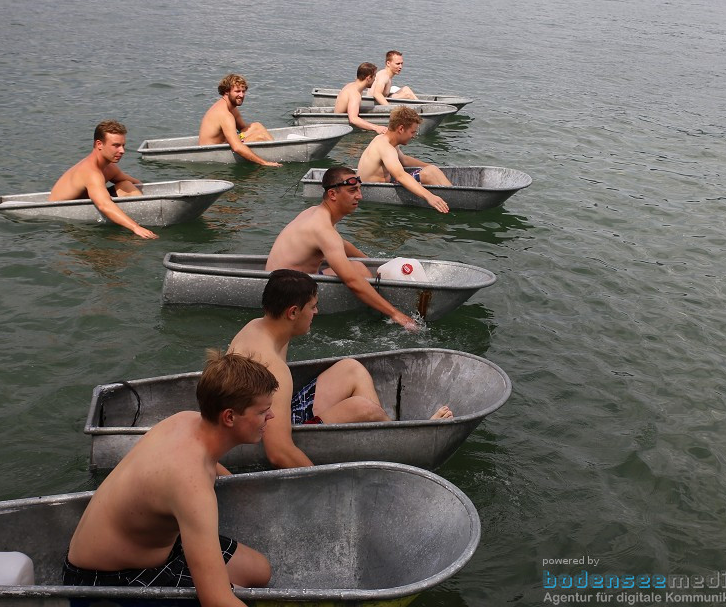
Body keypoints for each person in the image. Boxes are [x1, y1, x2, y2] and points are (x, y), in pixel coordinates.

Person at [63, 351, 275, 598]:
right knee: (240, 598)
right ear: (229, 417)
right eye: (263, 411)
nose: (271, 416)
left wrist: (236, 488)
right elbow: (216, 602)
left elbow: (209, 463)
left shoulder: (186, 420)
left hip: (157, 547)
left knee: (259, 572)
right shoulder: (191, 486)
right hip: (107, 579)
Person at [228, 269, 452, 468]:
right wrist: (326, 483)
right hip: (261, 426)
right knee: (365, 409)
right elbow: (278, 453)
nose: (316, 312)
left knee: (350, 369)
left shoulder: (259, 326)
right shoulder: (272, 369)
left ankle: (384, 438)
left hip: (270, 413)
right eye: (313, 307)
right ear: (293, 312)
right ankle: (408, 447)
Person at [265, 166, 418, 331]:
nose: (359, 196)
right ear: (332, 194)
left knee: (360, 266)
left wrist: (374, 263)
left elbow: (343, 244)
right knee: (358, 272)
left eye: (359, 189)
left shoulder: (315, 213)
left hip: (279, 281)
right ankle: (373, 318)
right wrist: (396, 314)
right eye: (352, 190)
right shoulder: (322, 229)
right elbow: (352, 281)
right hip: (286, 294)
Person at [49, 120, 157, 239]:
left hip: (87, 211)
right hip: (61, 225)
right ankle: (142, 222)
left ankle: (144, 218)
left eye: (123, 145)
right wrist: (136, 228)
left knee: (126, 185)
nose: (122, 151)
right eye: (116, 145)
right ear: (99, 144)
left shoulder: (109, 168)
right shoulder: (90, 172)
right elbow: (104, 205)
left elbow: (137, 184)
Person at [357, 106, 451, 214]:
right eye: (412, 132)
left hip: (385, 185)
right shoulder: (385, 147)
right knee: (429, 173)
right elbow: (400, 176)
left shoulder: (387, 141)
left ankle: (452, 199)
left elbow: (404, 160)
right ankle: (453, 202)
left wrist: (432, 166)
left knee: (432, 169)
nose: (414, 136)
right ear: (401, 129)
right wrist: (429, 197)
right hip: (373, 192)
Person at [199, 74, 280, 167]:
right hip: (212, 152)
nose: (241, 95)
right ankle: (276, 157)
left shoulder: (231, 108)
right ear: (226, 92)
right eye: (237, 91)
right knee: (259, 136)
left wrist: (250, 135)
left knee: (257, 126)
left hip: (225, 143)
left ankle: (277, 151)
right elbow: (237, 147)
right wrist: (264, 163)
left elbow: (242, 129)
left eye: (243, 91)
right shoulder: (225, 114)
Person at [333, 62, 386, 134]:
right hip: (337, 127)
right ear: (369, 78)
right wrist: (376, 127)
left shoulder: (351, 85)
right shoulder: (355, 93)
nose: (374, 80)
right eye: (374, 77)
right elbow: (353, 119)